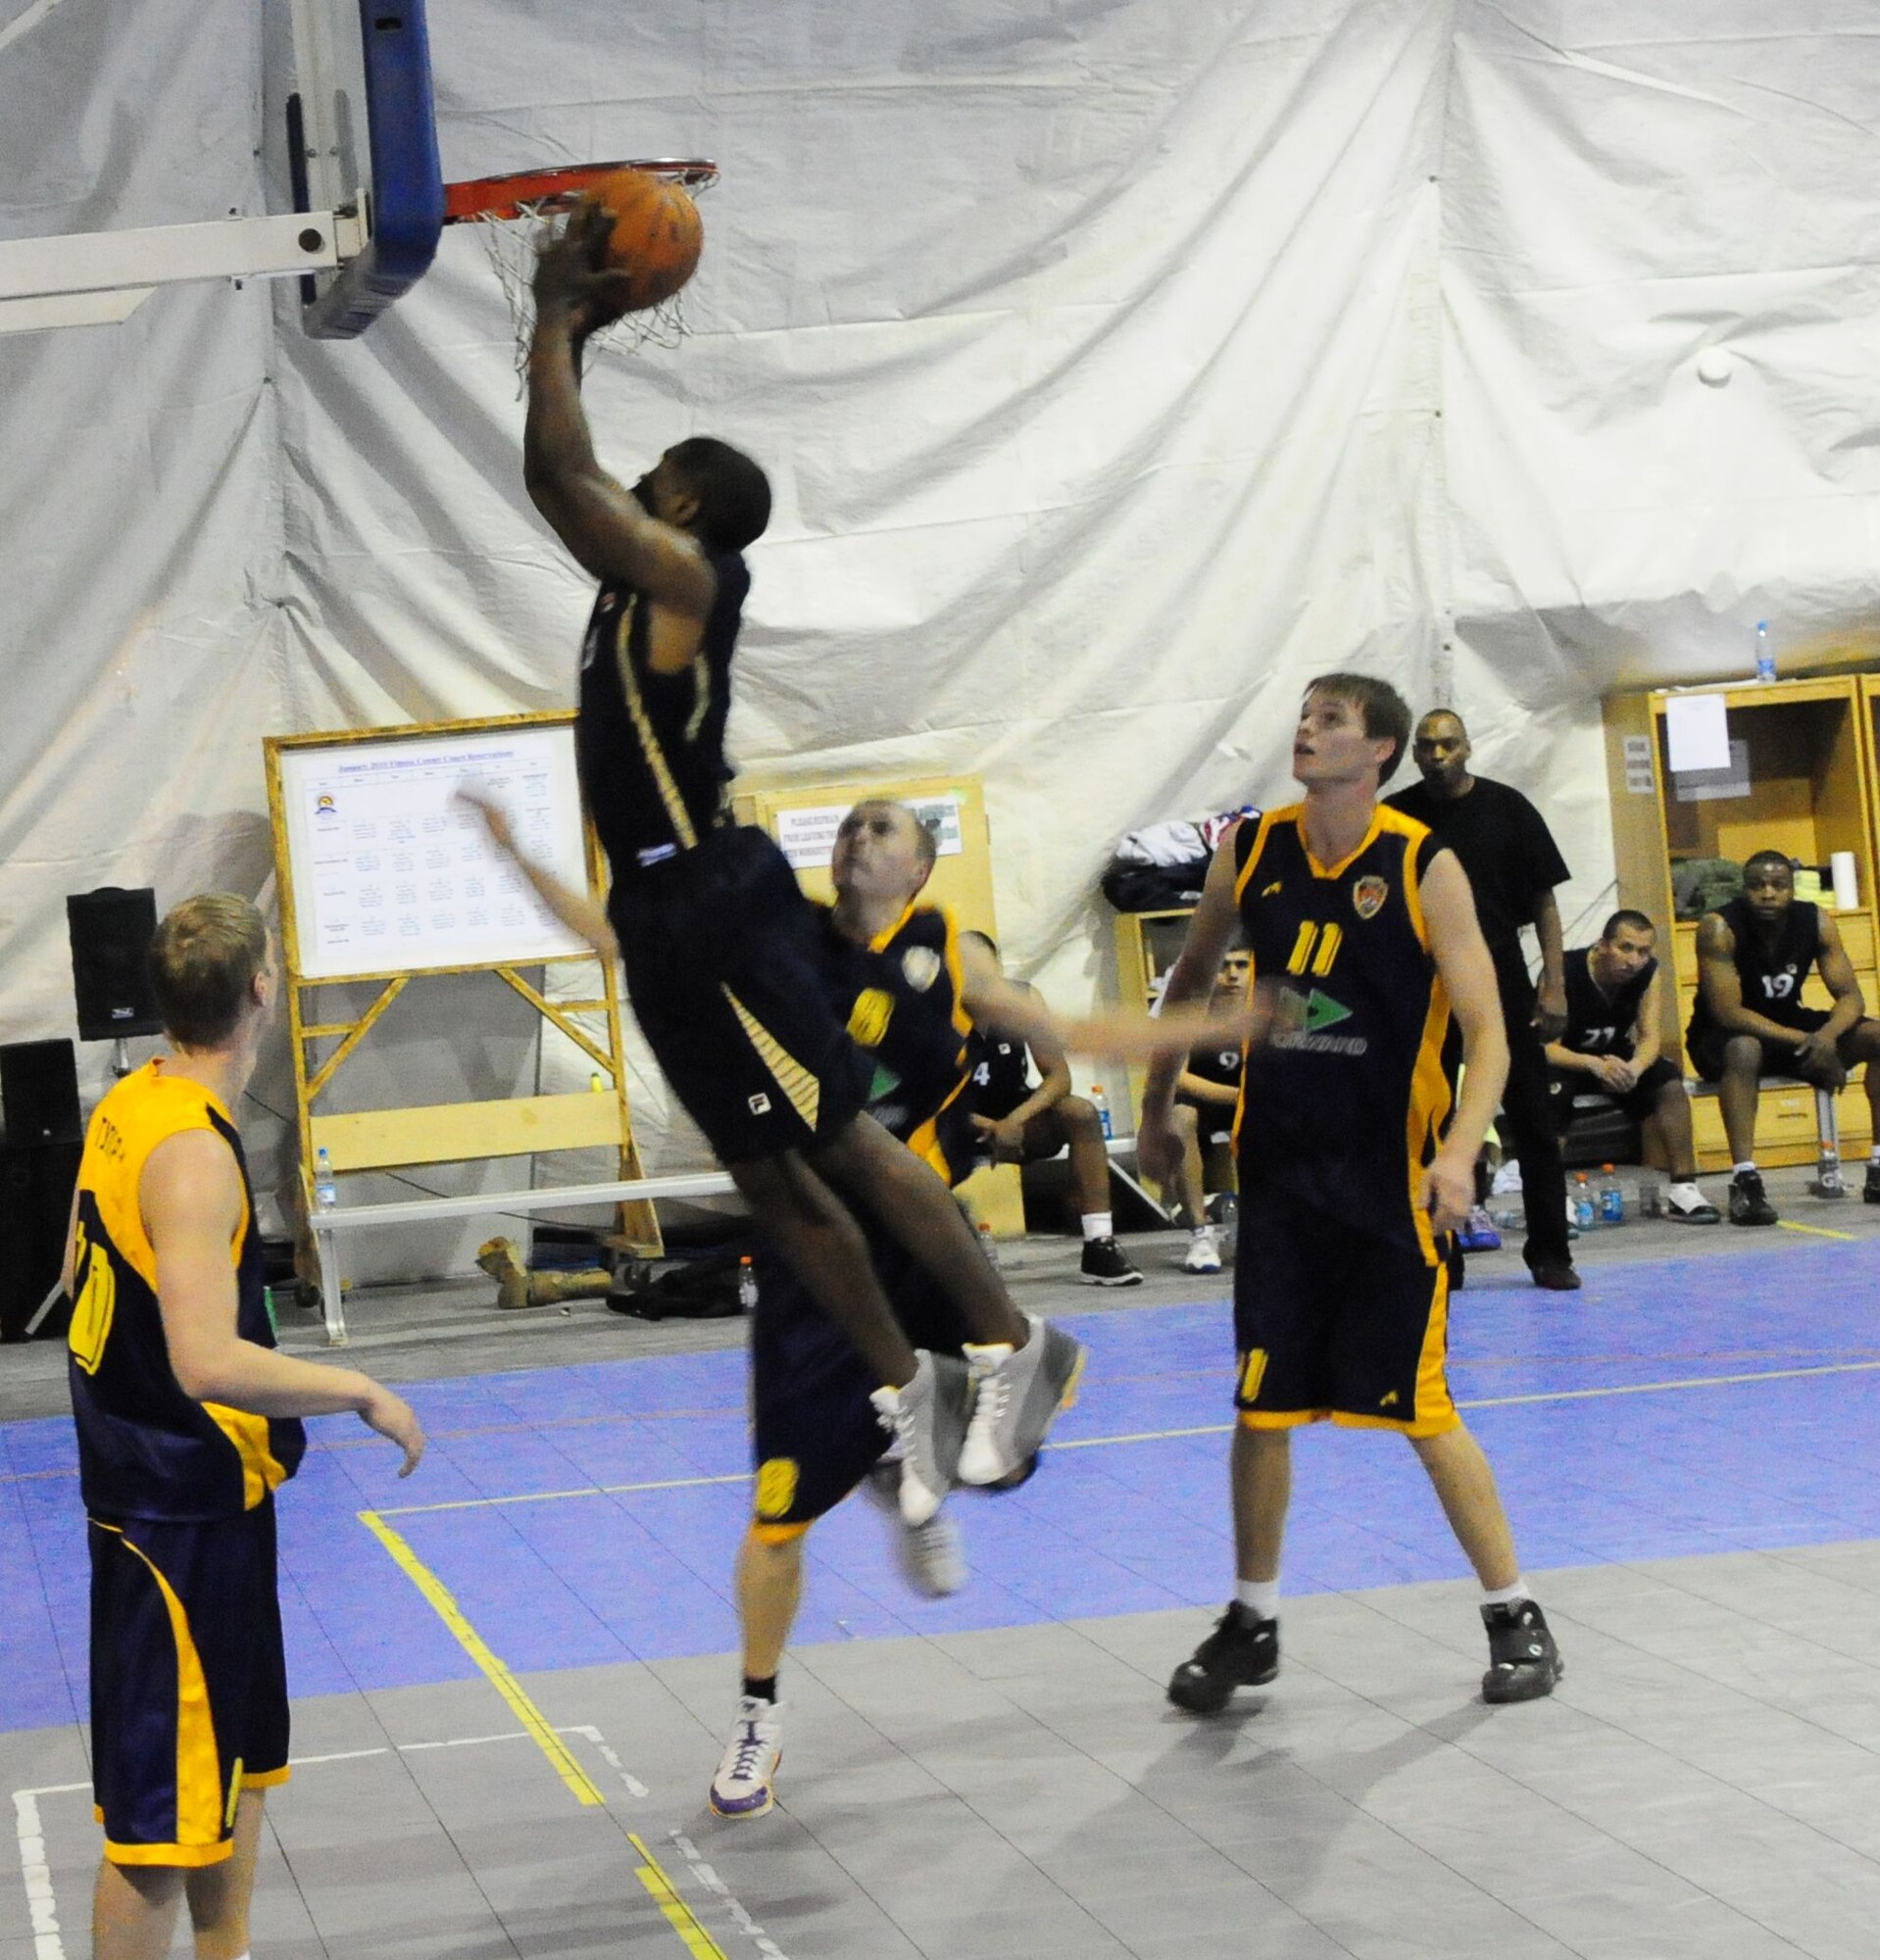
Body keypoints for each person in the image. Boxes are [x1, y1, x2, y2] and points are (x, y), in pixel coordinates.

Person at [521, 206, 1081, 1521]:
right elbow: (576, 465)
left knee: (831, 1135)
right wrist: (581, 337)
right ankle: (910, 1391)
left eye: (651, 475)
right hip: (659, 910)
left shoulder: (690, 579)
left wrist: (553, 313)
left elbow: (558, 479)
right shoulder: (636, 575)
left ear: (688, 504)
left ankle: (1013, 1344)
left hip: (716, 900)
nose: (626, 482)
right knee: (770, 1182)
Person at [1139, 674, 1563, 1715]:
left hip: (1389, 1179)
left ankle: (1515, 1611)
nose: (1306, 729)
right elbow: (1188, 980)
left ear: (1377, 750)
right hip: (1280, 1174)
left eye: (1331, 719)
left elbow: (1488, 1031)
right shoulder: (1255, 848)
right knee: (1260, 1405)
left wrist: (1462, 1148)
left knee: (1423, 1408)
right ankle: (1252, 1622)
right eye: (1303, 715)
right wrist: (1156, 1110)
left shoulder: (1427, 864)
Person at [64, 894, 425, 1960]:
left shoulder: (133, 1099)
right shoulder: (190, 1154)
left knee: (230, 1771)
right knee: (155, 1832)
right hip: (166, 1523)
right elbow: (203, 1358)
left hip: (216, 1508)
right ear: (261, 990)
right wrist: (355, 1387)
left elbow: (82, 1262)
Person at [1387, 709, 1578, 1291]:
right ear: (1413, 753)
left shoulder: (1507, 808)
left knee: (1531, 1117)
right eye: (1427, 746)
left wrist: (1555, 982)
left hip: (1500, 971)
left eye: (1448, 744)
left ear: (1468, 747)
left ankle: (1551, 1253)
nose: (1438, 755)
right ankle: (1443, 1252)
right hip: (1425, 981)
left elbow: (1544, 900)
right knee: (1432, 1118)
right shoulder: (1397, 817)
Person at [1685, 850, 1880, 1224]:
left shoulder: (1817, 920)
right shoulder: (1719, 927)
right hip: (1721, 1035)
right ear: (1744, 890)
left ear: (1792, 890)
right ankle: (1746, 1179)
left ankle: (1878, 1165)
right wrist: (1806, 1041)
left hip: (1792, 1026)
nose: (1768, 894)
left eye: (1778, 885)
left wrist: (1826, 1036)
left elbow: (1852, 997)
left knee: (1877, 1035)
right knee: (1744, 1049)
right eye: (1757, 886)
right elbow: (1729, 1012)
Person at [960, 930, 1142, 1287]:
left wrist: (1014, 1120)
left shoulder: (1022, 1000)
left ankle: (1099, 1244)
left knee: (1080, 1113)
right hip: (954, 1120)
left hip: (1014, 1114)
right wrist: (988, 1125)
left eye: (986, 974)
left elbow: (1059, 1077)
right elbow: (924, 1095)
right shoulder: (932, 1007)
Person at [1545, 909, 1720, 1223]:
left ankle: (1684, 1189)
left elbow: (1650, 1036)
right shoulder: (1562, 972)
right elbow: (1545, 1048)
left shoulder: (1649, 973)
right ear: (1602, 946)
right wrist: (1593, 1065)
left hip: (1615, 1060)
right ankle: (1553, 1197)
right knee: (1551, 1091)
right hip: (1569, 1060)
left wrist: (1635, 1069)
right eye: (1625, 948)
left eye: (1643, 951)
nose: (1634, 960)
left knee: (1668, 1080)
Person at [1161, 944, 1252, 1275]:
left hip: (1256, 1098)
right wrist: (1239, 1096)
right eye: (1223, 965)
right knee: (1180, 1117)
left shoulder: (1280, 1004)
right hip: (1209, 1100)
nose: (1232, 975)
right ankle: (1200, 1233)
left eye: (1241, 965)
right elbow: (1177, 1077)